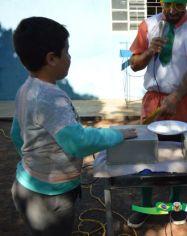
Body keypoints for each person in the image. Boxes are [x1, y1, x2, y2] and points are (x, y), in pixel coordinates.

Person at [10, 17, 137, 236]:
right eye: (66, 52)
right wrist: (117, 134)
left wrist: (34, 161)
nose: (70, 57)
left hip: (26, 186)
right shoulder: (50, 97)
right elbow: (79, 142)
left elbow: (16, 134)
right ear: (51, 59)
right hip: (50, 199)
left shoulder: (26, 89)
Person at [128, 0, 187, 228]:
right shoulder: (148, 25)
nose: (172, 11)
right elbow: (134, 64)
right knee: (146, 152)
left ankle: (175, 204)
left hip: (184, 100)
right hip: (153, 99)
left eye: (178, 5)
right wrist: (148, 52)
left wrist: (175, 97)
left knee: (181, 154)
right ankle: (145, 205)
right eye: (168, 5)